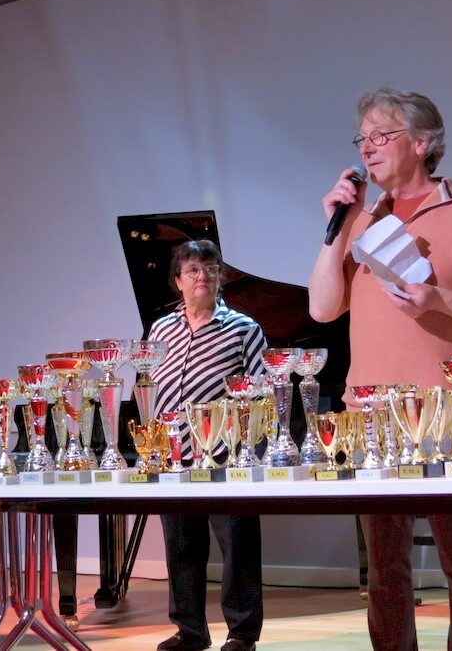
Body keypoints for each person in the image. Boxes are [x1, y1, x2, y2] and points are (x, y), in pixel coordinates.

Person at [309, 87, 452, 650]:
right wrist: (335, 225)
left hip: (448, 409)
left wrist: (439, 300)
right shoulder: (362, 219)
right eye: (362, 138)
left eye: (381, 135)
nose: (367, 148)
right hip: (369, 413)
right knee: (385, 570)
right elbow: (322, 308)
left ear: (422, 142)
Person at [149, 239, 267, 651]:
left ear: (221, 277)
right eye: (193, 270)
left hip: (225, 451)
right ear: (178, 281)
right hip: (174, 451)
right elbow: (151, 383)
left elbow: (261, 390)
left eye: (211, 269)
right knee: (181, 544)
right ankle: (190, 630)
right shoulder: (160, 329)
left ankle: (242, 633)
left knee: (238, 545)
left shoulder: (244, 328)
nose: (203, 276)